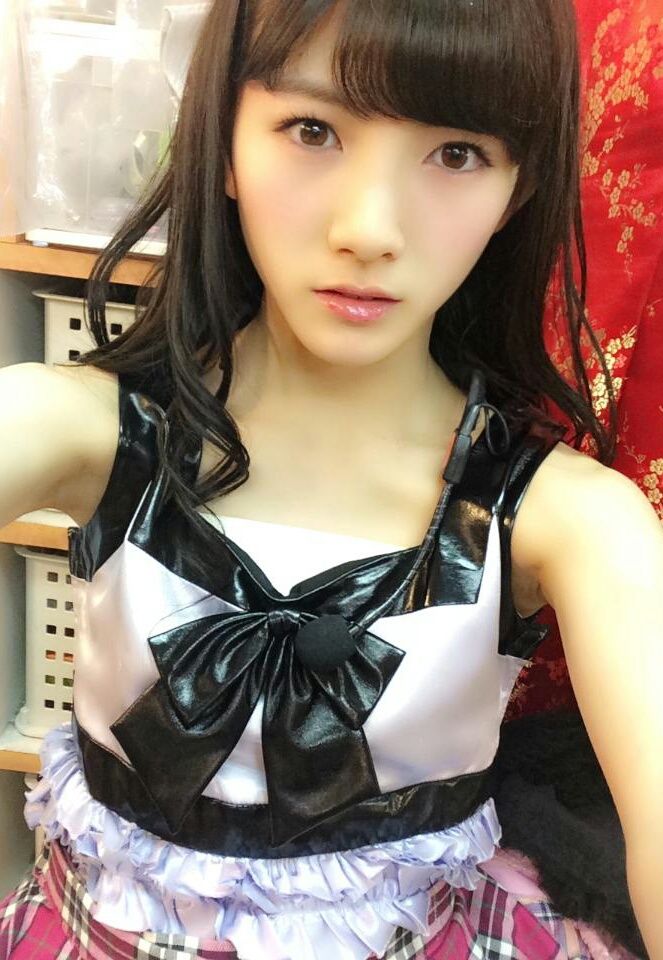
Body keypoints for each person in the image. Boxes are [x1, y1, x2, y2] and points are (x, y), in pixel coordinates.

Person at [0, 0, 662, 957]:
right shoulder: (73, 426)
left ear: (517, 189)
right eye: (311, 130)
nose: (369, 228)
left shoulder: (579, 523)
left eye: (457, 153)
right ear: (223, 143)